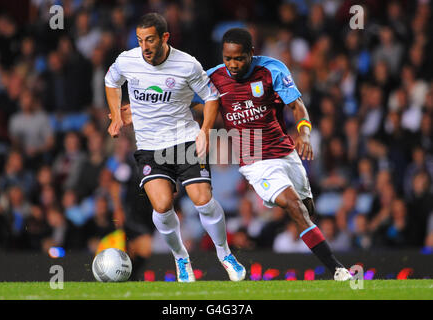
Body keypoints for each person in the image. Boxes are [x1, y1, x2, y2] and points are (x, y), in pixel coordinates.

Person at [120, 28, 352, 280]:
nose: (232, 64)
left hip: (284, 152)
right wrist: (138, 109)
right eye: (227, 58)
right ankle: (338, 270)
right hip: (255, 160)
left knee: (307, 209)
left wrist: (304, 134)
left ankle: (319, 253)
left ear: (251, 53)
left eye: (239, 58)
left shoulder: (272, 70)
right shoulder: (214, 78)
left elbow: (297, 106)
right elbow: (175, 96)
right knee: (295, 206)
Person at [105, 13, 245, 282]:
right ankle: (181, 258)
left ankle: (225, 253)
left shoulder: (187, 64)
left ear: (164, 37)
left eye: (150, 40)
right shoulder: (127, 60)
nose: (144, 47)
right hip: (149, 146)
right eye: (140, 40)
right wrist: (115, 116)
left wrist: (205, 132)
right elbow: (111, 81)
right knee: (162, 205)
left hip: (185, 140)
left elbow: (211, 96)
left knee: (202, 199)